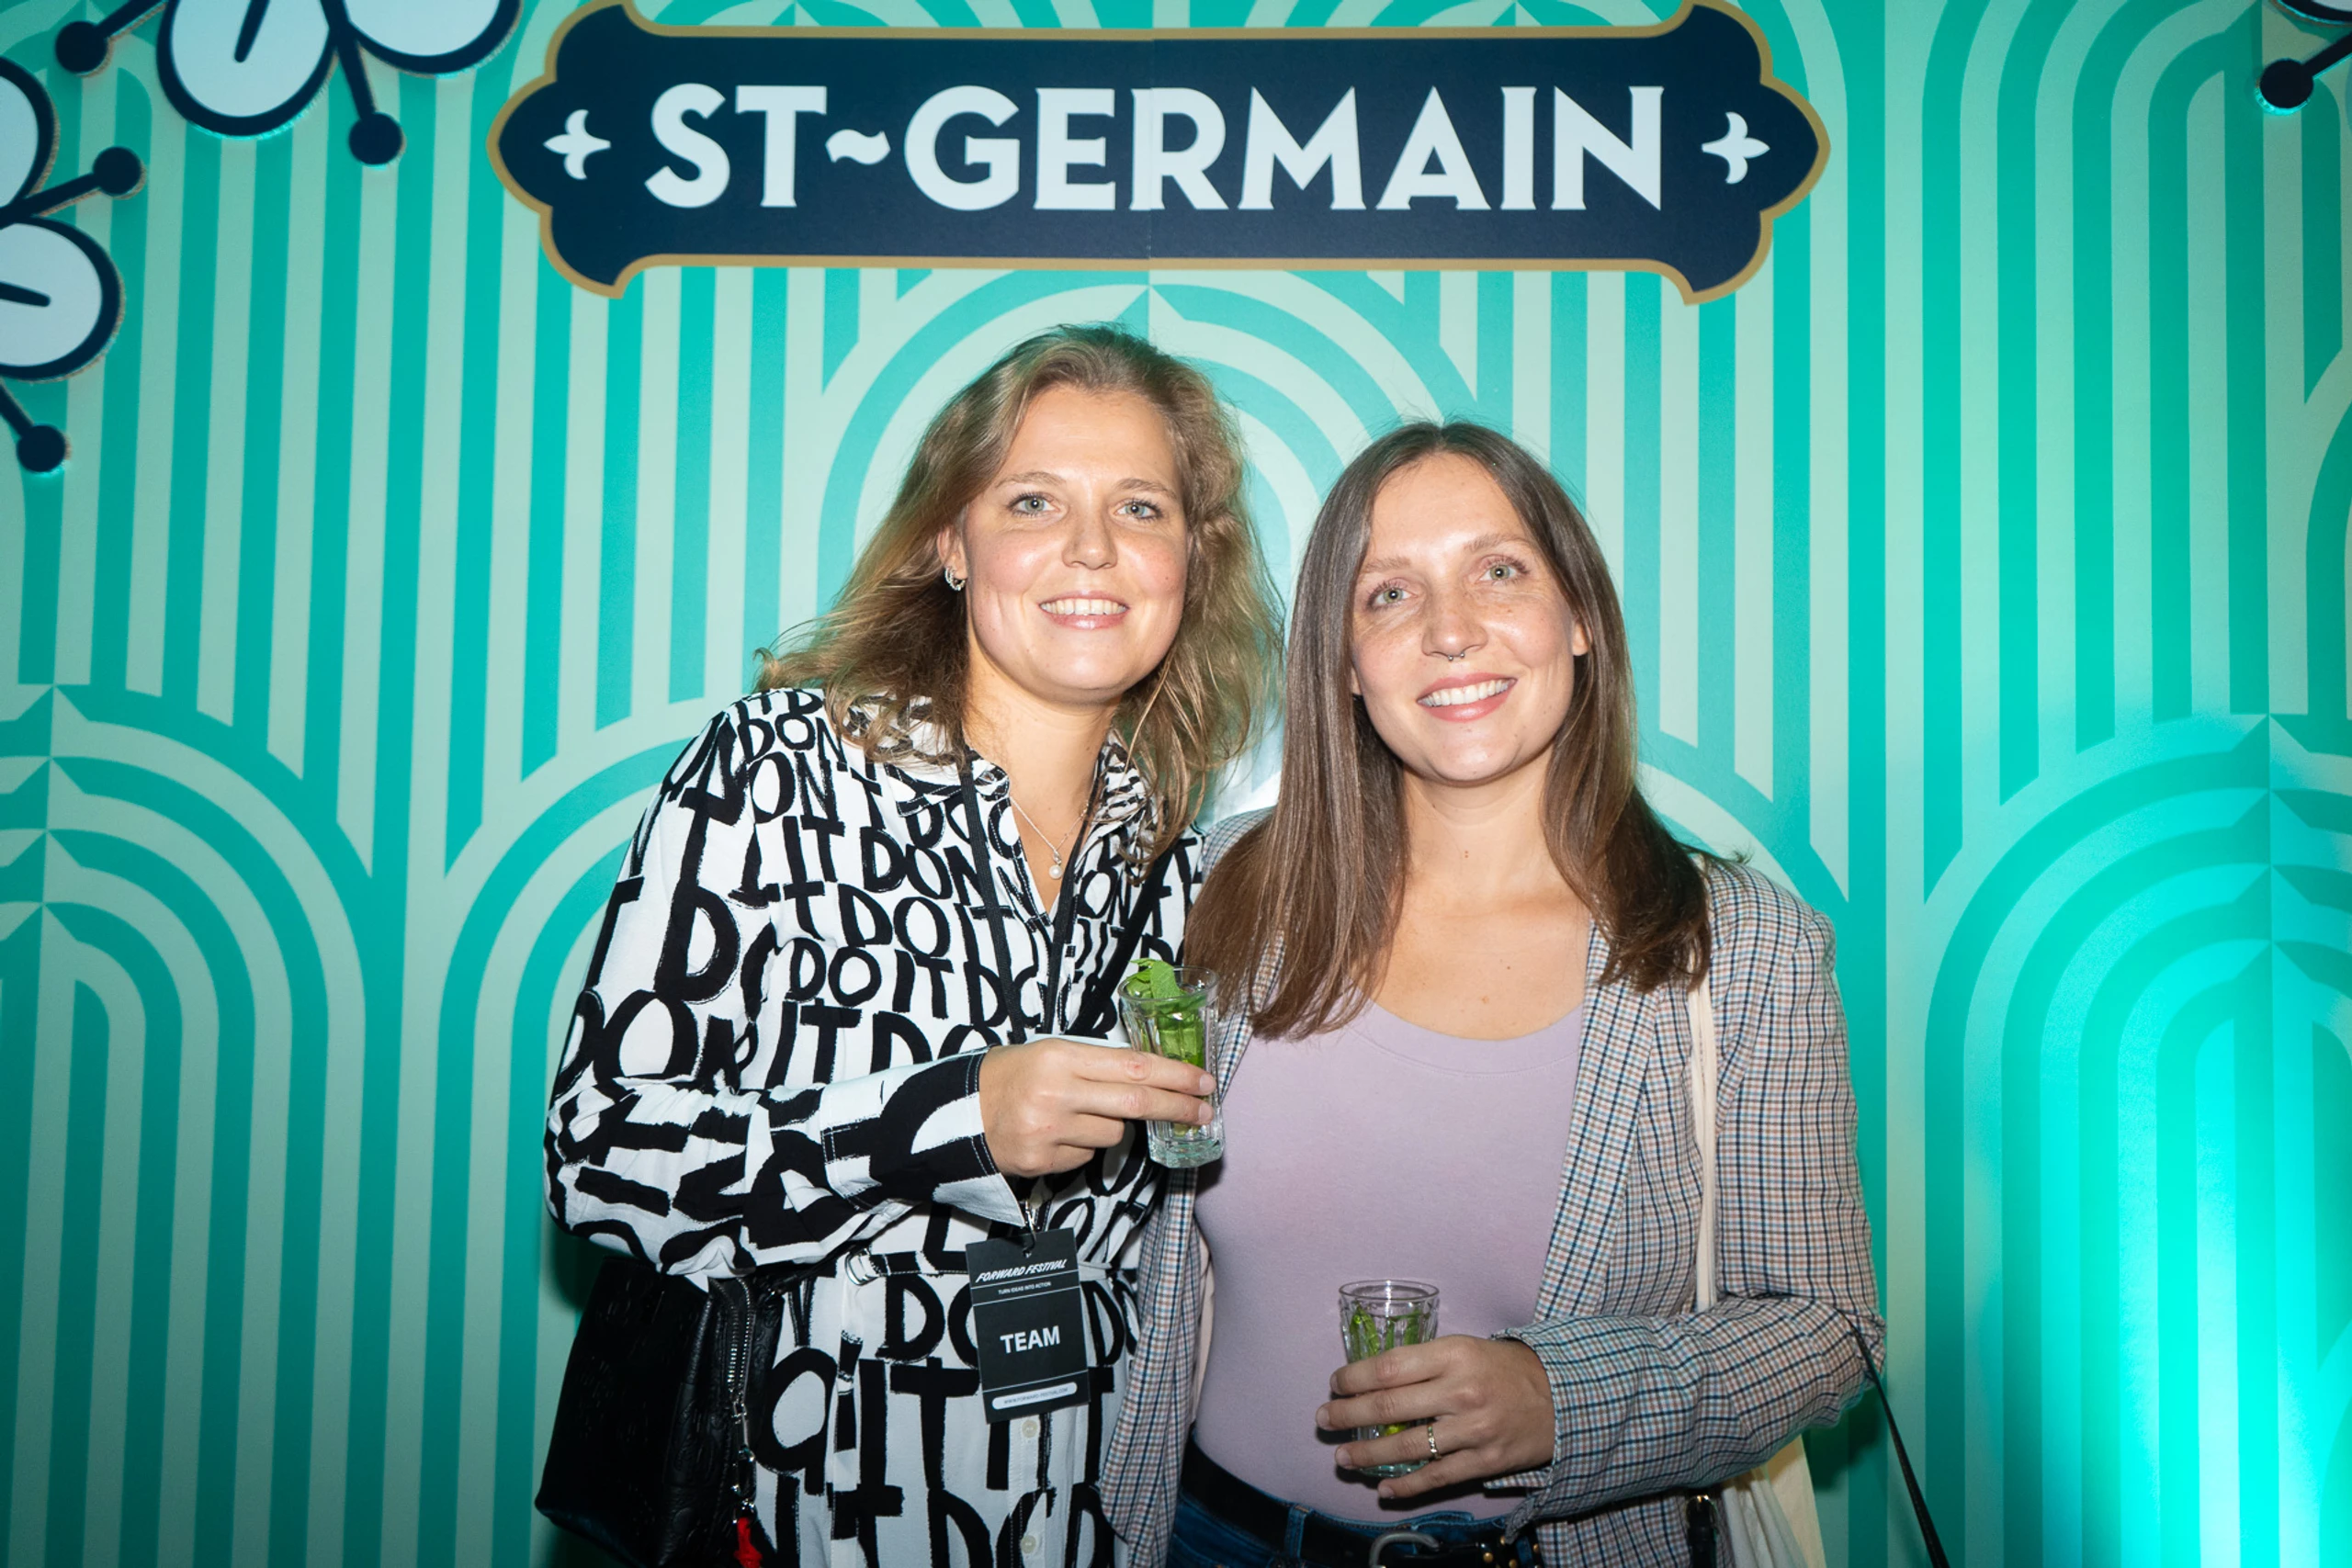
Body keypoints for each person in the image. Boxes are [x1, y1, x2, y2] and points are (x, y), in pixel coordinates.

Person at [544, 323, 1283, 1566]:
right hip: (809, 1513)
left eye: (1140, 506)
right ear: (950, 539)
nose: (1092, 547)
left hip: (1089, 1522)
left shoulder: (1183, 866)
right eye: (1033, 499)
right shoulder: (778, 773)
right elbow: (601, 1156)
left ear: (1192, 560)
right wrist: (945, 1118)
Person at [1102, 422, 1882, 1567]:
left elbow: (1826, 1331)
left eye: (1499, 571)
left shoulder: (1741, 948)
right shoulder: (1220, 892)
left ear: (1580, 619)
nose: (1450, 629)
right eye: (1389, 595)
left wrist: (1561, 1400)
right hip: (1206, 1540)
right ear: (1344, 664)